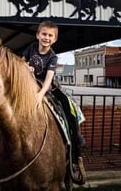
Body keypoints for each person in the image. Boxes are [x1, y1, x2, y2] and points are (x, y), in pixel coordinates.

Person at [22, 20, 86, 184]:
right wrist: (25, 67)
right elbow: (21, 62)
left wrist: (40, 95)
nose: (46, 37)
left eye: (50, 35)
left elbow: (49, 79)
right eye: (44, 34)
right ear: (38, 35)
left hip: (46, 87)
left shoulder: (52, 57)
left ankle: (75, 149)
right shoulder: (31, 47)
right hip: (28, 84)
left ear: (54, 39)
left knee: (68, 107)